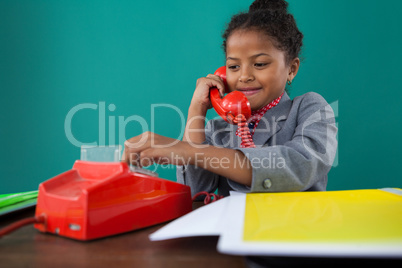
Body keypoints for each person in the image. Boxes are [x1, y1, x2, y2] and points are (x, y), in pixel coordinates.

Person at [122, 0, 337, 198]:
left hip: (294, 232)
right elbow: (195, 191)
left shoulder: (309, 108)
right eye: (233, 66)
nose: (244, 76)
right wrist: (196, 111)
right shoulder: (218, 129)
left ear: (291, 69)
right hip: (234, 232)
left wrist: (192, 151)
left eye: (260, 64)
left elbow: (298, 166)